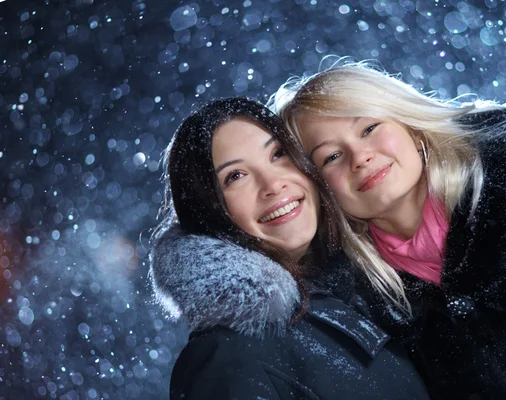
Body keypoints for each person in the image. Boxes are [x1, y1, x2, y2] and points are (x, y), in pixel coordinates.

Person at [270, 61, 506, 399]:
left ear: (410, 128)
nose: (360, 157)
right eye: (331, 156)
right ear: (322, 188)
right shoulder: (357, 309)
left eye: (369, 128)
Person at [149, 97, 430, 400]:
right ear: (208, 211)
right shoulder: (226, 355)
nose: (273, 183)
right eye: (235, 176)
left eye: (278, 154)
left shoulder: (362, 288)